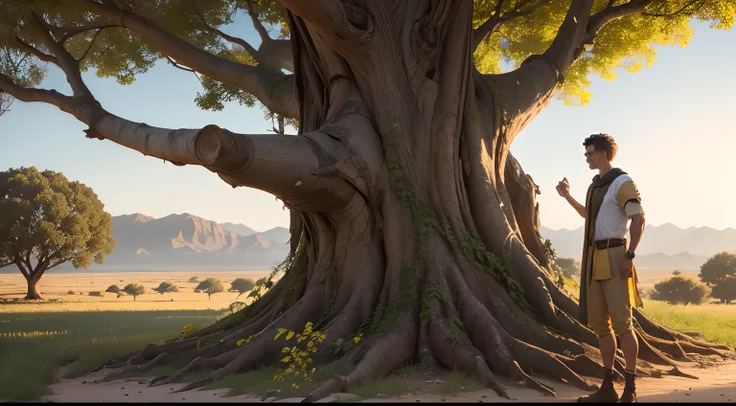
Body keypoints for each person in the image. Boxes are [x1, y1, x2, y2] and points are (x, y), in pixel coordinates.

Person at [556, 133, 645, 403]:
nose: (587, 158)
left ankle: (630, 387)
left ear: (604, 153)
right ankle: (608, 387)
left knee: (623, 324)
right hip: (595, 258)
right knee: (601, 326)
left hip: (617, 254)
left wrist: (630, 254)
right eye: (585, 154)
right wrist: (567, 197)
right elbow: (589, 216)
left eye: (590, 153)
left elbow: (639, 219)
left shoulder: (621, 181)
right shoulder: (596, 185)